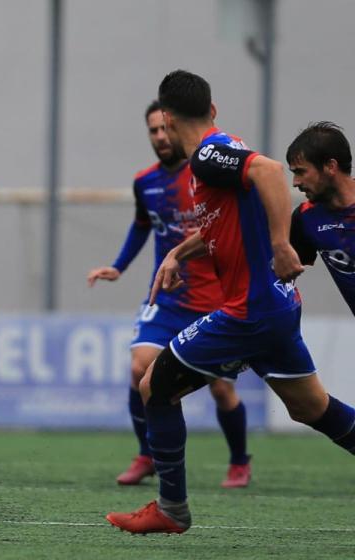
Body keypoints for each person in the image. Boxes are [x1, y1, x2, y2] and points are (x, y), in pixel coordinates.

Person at [106, 70, 355, 534]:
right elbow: (229, 221)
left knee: (153, 387)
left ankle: (171, 509)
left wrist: (282, 244)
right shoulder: (224, 145)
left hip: (250, 310)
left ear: (169, 119)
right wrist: (179, 252)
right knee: (311, 408)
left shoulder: (205, 156)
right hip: (276, 307)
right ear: (213, 110)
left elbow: (268, 171)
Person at [87, 101, 251, 488]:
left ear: (178, 128)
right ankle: (148, 454)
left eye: (165, 129)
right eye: (153, 131)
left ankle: (239, 460)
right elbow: (142, 225)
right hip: (167, 299)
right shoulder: (145, 181)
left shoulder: (208, 174)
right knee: (138, 368)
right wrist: (119, 265)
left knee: (221, 388)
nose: (160, 137)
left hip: (215, 301)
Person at [288, 122, 355, 314]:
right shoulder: (306, 218)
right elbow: (281, 272)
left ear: (330, 166)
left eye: (301, 171)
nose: (295, 183)